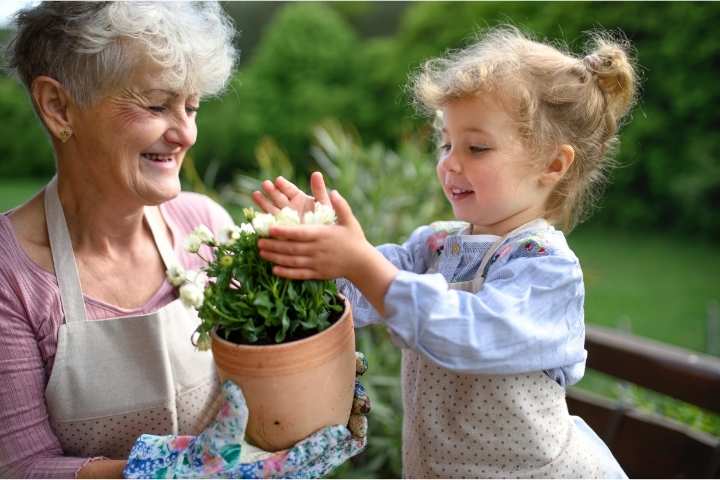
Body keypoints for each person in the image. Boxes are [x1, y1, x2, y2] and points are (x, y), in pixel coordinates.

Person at [0, 2, 365, 478]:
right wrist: (170, 471)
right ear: (58, 106)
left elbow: (270, 378)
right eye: (156, 105)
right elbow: (21, 467)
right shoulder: (11, 272)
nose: (186, 133)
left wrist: (313, 274)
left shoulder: (203, 224)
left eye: (191, 107)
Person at [254, 26, 637, 478]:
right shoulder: (435, 245)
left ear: (552, 164)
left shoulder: (546, 269)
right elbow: (359, 297)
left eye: (476, 147)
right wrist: (320, 244)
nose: (451, 162)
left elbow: (470, 334)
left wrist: (363, 263)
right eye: (446, 143)